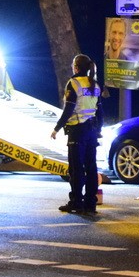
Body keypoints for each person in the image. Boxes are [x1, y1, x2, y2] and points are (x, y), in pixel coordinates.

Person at [51, 54, 103, 214]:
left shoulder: (73, 83)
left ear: (76, 67)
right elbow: (100, 111)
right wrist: (98, 130)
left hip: (77, 131)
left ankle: (76, 202)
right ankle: (90, 203)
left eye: (73, 64)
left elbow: (69, 109)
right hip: (91, 131)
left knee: (76, 169)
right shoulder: (95, 85)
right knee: (91, 167)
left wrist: (57, 128)